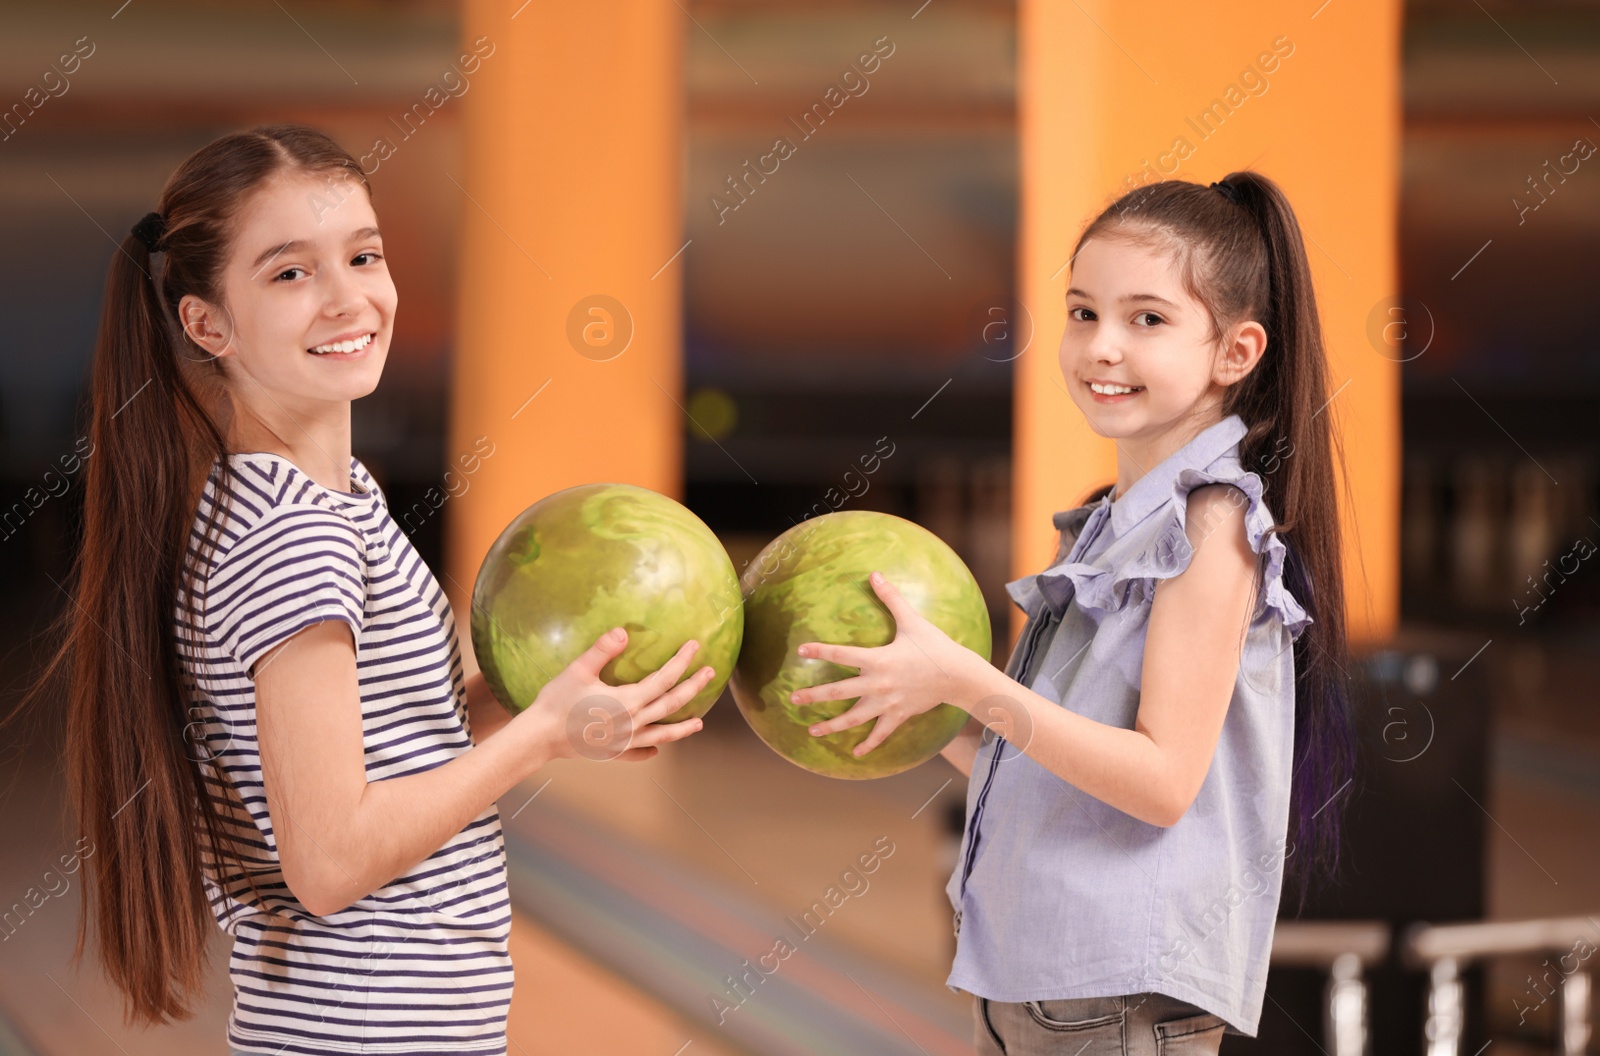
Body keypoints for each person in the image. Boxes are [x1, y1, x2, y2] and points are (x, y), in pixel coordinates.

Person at [29, 124, 711, 1055]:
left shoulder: (334, 500)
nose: (348, 299)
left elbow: (397, 747)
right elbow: (330, 861)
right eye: (289, 273)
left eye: (362, 255)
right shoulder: (294, 535)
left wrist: (537, 703)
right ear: (206, 323)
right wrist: (543, 737)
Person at [792, 171, 1356, 1053]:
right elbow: (1045, 762)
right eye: (1083, 312)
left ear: (1235, 353)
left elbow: (1164, 783)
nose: (1101, 346)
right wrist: (922, 702)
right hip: (1038, 983)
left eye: (1148, 319)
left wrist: (970, 683)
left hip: (1118, 996)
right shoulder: (1106, 524)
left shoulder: (1213, 528)